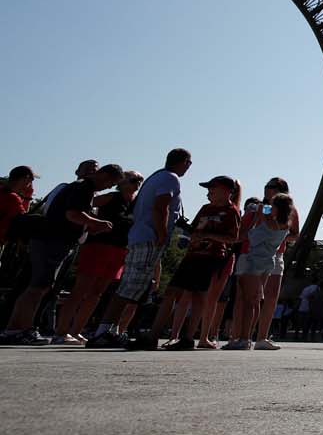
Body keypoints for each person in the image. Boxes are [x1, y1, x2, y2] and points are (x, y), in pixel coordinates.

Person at [1, 163, 120, 344]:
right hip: (53, 241)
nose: (109, 187)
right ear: (103, 175)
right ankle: (22, 329)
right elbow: (73, 214)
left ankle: (13, 329)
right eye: (110, 182)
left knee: (36, 287)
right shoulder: (83, 189)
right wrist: (97, 223)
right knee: (39, 287)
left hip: (50, 239)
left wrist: (89, 228)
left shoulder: (79, 188)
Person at [87, 148, 192, 348]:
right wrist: (161, 235)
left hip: (140, 236)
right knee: (130, 287)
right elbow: (161, 207)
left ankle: (111, 331)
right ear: (184, 162)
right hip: (149, 238)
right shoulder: (170, 178)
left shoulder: (157, 176)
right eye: (189, 163)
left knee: (132, 287)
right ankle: (103, 332)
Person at [55, 169, 143, 343]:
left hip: (119, 249)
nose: (137, 183)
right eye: (133, 179)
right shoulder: (111, 197)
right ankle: (61, 331)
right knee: (81, 289)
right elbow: (86, 204)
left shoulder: (135, 203)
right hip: (98, 245)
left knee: (97, 293)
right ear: (122, 182)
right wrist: (94, 222)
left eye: (140, 180)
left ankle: (77, 330)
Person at [161, 175, 242, 350]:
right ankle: (174, 334)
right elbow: (196, 229)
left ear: (227, 191)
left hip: (211, 256)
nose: (209, 191)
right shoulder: (205, 208)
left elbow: (233, 238)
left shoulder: (231, 211)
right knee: (180, 294)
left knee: (199, 296)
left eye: (213, 187)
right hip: (193, 255)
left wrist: (208, 236)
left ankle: (191, 336)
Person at [224, 193, 296, 349]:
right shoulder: (284, 224)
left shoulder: (269, 220)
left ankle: (243, 339)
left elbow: (261, 215)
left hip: (254, 261)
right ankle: (247, 337)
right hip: (267, 262)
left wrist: (257, 210)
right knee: (255, 300)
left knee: (247, 301)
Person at [251, 177, 299, 348]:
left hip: (276, 254)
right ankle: (245, 334)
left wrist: (281, 235)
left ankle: (262, 336)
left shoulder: (291, 210)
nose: (266, 189)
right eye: (266, 186)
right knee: (254, 296)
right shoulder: (261, 207)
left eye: (270, 187)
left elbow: (295, 233)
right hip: (257, 254)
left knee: (270, 297)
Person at [0, 166, 37, 245]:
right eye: (28, 183)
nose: (28, 187)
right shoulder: (12, 198)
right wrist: (27, 197)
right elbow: (24, 221)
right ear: (23, 179)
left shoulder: (3, 192)